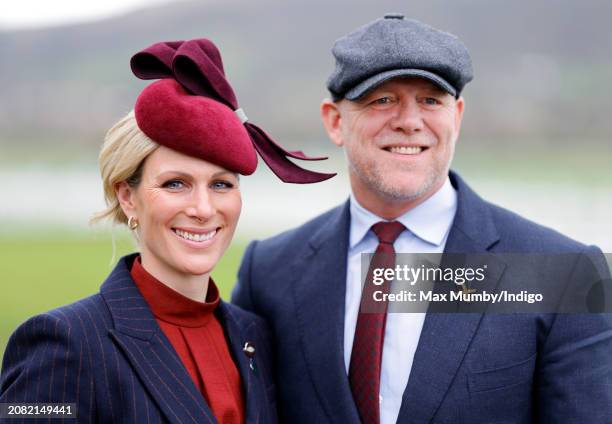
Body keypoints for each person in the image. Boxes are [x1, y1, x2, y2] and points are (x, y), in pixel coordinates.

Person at [232, 14, 612, 423]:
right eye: (382, 99)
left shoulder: (563, 274)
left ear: (457, 117)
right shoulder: (270, 272)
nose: (409, 121)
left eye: (430, 100)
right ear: (335, 121)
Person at [0, 38, 333, 423]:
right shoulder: (63, 342)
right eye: (176, 183)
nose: (203, 209)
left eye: (221, 184)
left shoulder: (253, 337)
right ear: (128, 197)